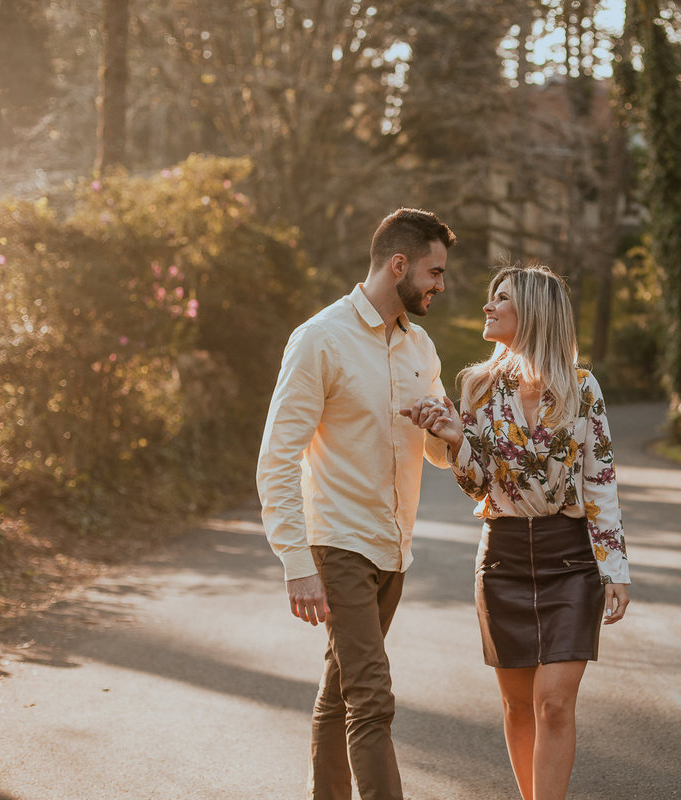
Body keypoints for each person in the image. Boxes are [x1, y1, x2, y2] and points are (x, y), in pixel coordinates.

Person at [406, 263, 630, 800]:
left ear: (532, 312)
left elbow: (599, 481)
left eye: (500, 298)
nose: (488, 306)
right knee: (516, 705)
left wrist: (614, 567)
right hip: (502, 559)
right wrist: (458, 439)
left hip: (570, 561)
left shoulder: (582, 387)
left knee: (554, 702)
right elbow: (476, 485)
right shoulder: (479, 387)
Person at [257, 208, 456, 800]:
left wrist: (446, 429)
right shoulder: (321, 338)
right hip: (339, 543)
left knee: (339, 692)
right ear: (399, 265)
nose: (440, 286)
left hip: (394, 550)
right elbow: (277, 456)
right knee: (372, 698)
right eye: (434, 271)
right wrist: (297, 563)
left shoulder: (420, 346)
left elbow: (440, 454)